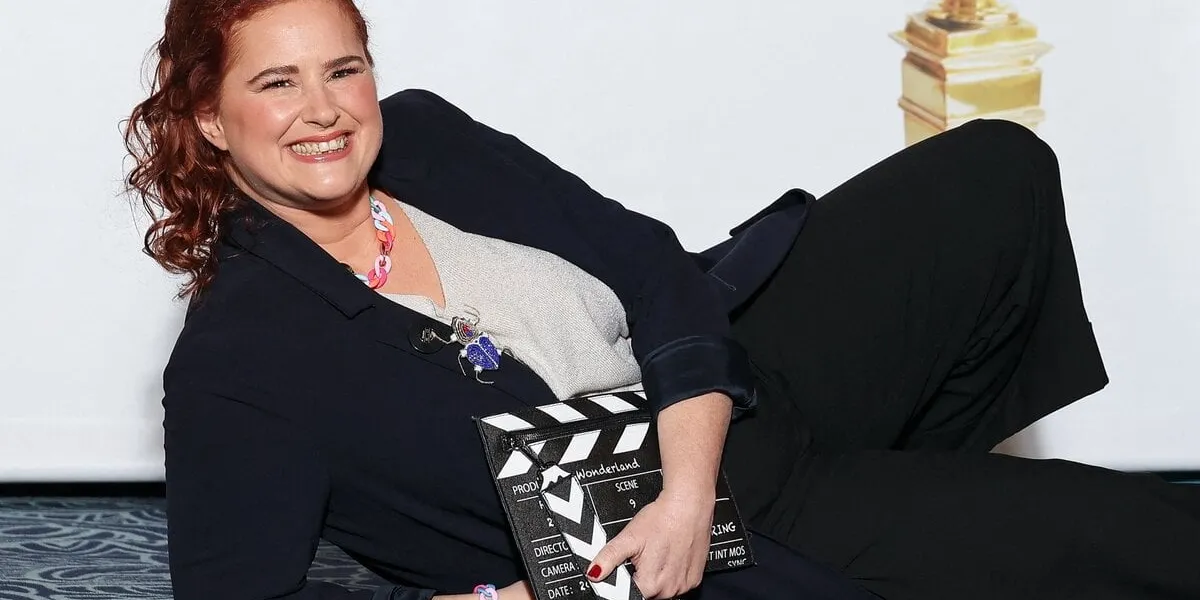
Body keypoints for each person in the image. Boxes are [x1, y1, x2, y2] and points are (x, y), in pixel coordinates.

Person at [124, 0, 1200, 599]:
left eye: (341, 69)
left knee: (993, 170)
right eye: (277, 83)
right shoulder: (239, 365)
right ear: (210, 120)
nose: (326, 111)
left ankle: (921, 506)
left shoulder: (426, 137)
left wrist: (687, 469)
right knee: (1127, 537)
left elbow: (649, 262)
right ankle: (918, 526)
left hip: (725, 382)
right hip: (717, 528)